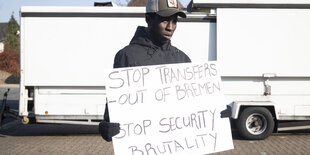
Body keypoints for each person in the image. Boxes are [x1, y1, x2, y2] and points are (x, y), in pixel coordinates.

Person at [99, 0, 231, 142]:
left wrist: (216, 114)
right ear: (148, 19)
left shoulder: (183, 59)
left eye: (174, 21)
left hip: (177, 146)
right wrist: (107, 127)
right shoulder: (127, 56)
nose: (170, 27)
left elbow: (193, 111)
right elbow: (114, 110)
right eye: (165, 21)